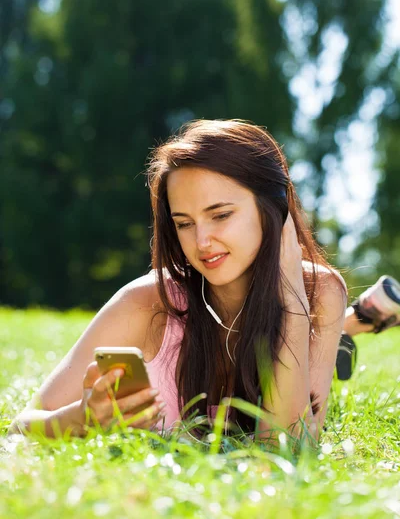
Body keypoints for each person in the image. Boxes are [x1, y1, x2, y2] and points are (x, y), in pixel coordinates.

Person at [9, 120, 400, 442]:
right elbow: (20, 430)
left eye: (221, 215)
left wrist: (292, 299)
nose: (201, 242)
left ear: (274, 208)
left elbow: (287, 447)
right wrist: (82, 416)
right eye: (184, 223)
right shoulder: (147, 303)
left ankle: (348, 326)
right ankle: (354, 324)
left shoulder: (318, 293)